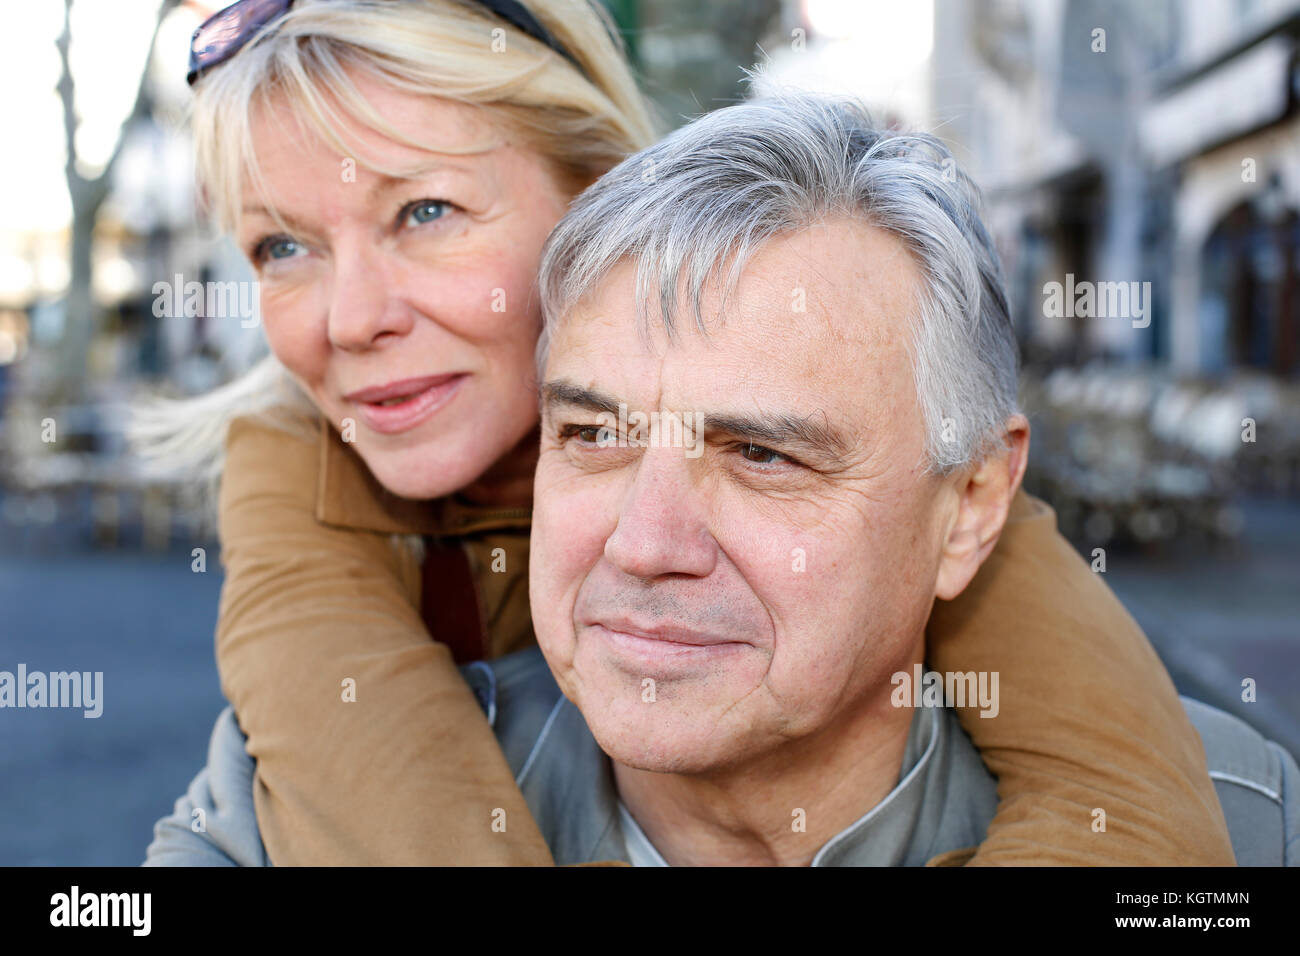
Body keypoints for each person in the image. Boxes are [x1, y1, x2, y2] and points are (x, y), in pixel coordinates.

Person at [137, 0, 1235, 865]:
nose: (347, 318)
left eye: (424, 212)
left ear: (600, 192)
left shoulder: (910, 459)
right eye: (281, 247)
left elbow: (1126, 795)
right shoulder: (298, 459)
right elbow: (366, 783)